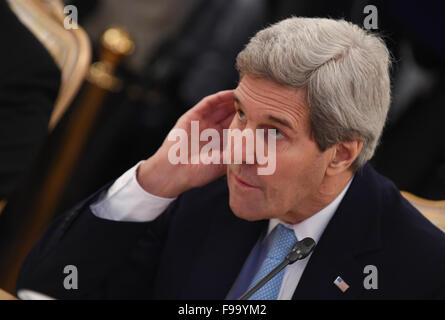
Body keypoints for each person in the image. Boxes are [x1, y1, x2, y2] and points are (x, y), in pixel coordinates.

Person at [17, 17, 445, 300]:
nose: (238, 148)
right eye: (241, 113)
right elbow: (46, 287)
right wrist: (153, 182)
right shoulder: (201, 194)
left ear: (341, 153)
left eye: (274, 132)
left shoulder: (420, 271)